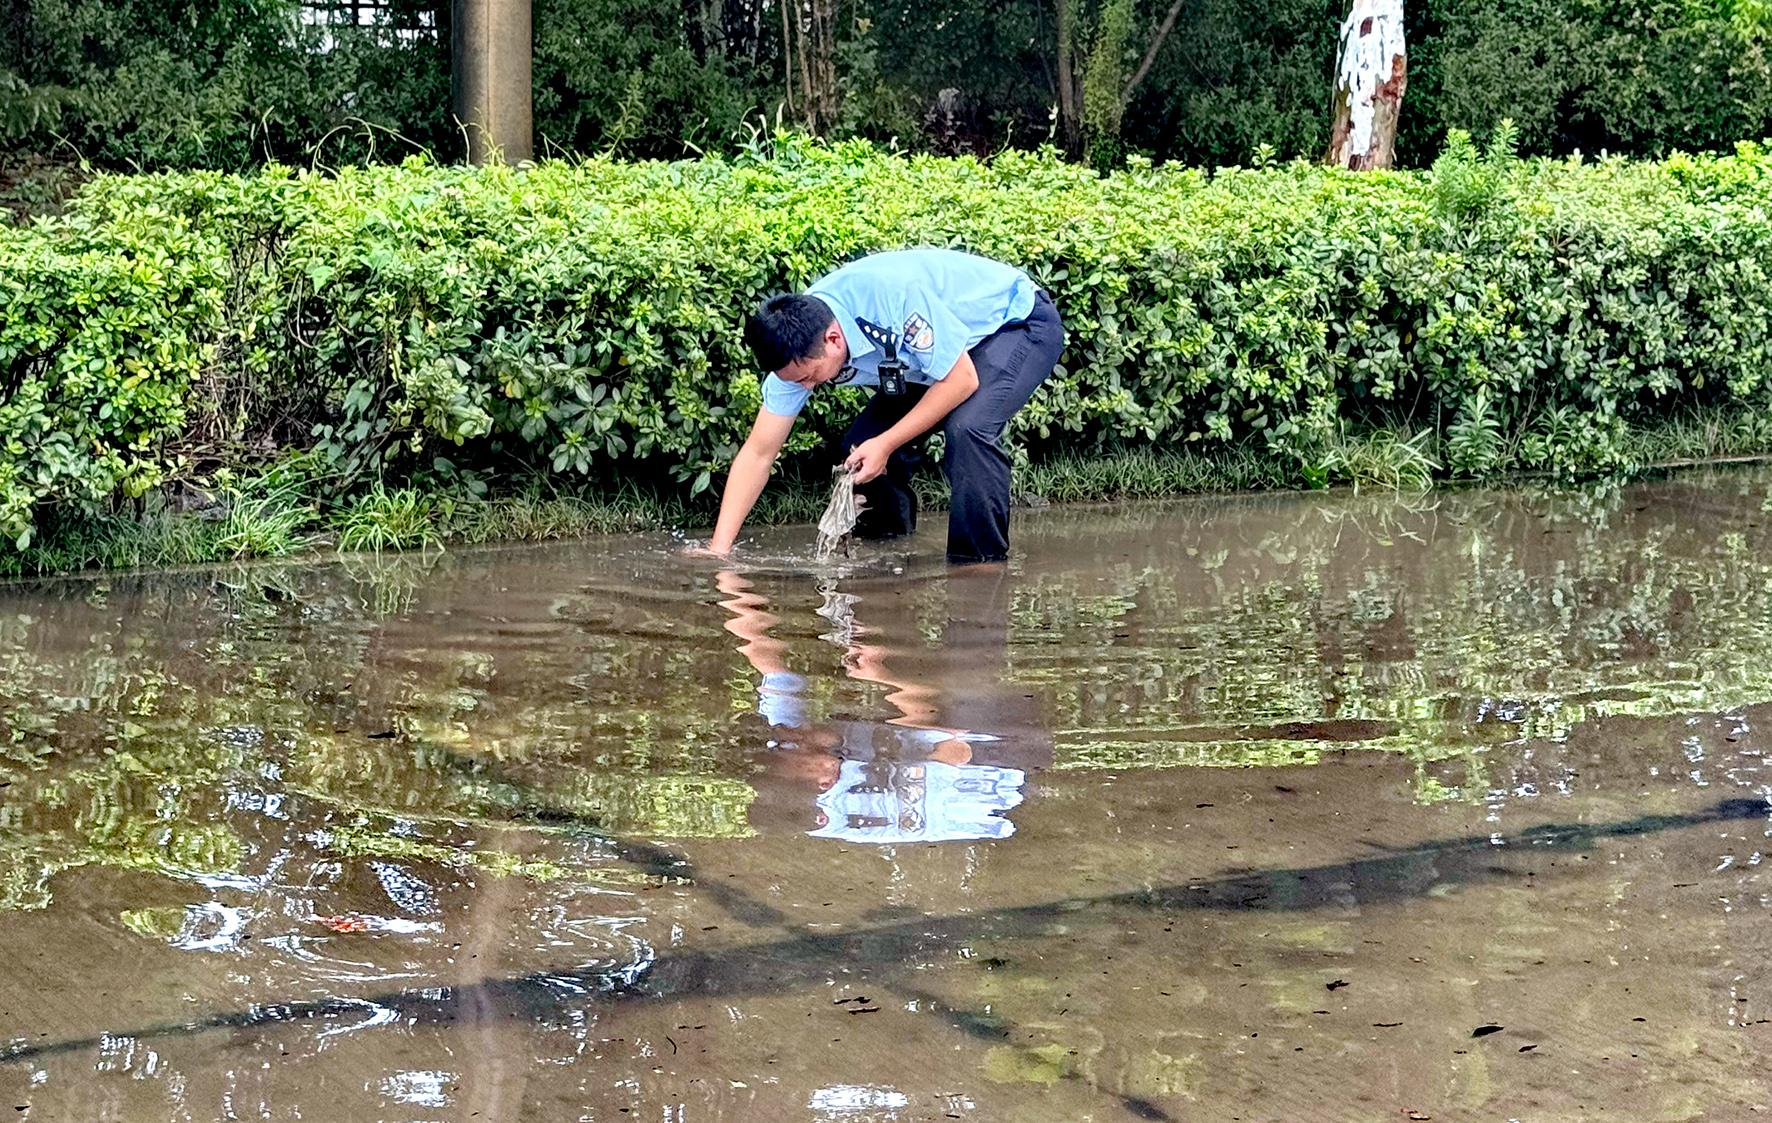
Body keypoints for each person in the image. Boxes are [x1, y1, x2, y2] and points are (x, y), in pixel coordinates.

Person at [698, 248, 1065, 564]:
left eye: (810, 377)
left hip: (1013, 325)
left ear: (833, 339)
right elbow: (758, 453)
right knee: (859, 449)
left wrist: (887, 444)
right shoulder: (794, 349)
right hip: (936, 360)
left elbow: (961, 380)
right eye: (796, 382)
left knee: (968, 429)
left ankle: (980, 568)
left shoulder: (893, 300)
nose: (806, 387)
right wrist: (719, 551)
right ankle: (891, 551)